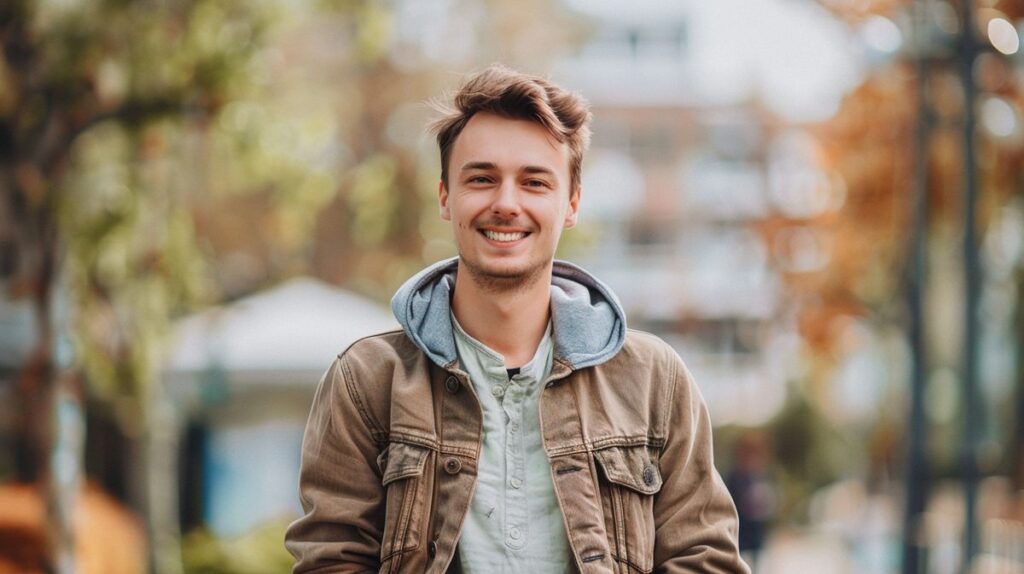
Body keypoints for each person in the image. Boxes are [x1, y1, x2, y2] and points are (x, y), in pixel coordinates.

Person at [285, 64, 749, 574]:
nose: (506, 204)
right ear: (446, 196)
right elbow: (331, 560)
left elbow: (705, 559)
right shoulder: (368, 379)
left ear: (570, 204)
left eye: (534, 182)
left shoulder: (653, 380)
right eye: (482, 178)